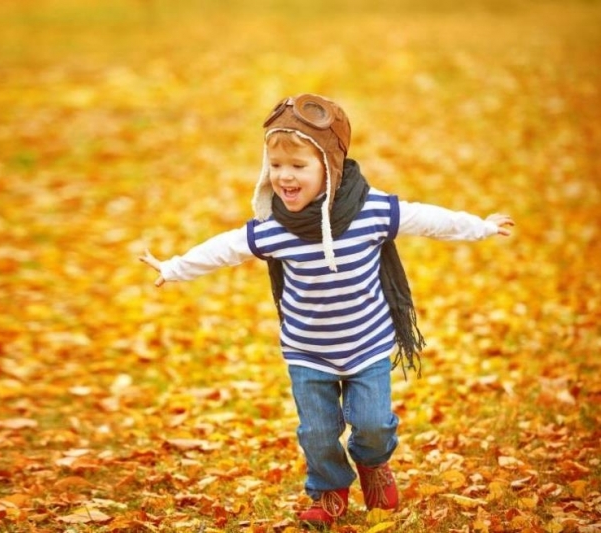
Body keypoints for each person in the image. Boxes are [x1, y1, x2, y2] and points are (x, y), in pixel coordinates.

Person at [139, 93, 514, 527]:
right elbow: (225, 248)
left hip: (367, 344)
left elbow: (427, 219)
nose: (284, 177)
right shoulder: (275, 229)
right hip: (306, 351)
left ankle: (373, 464)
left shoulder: (372, 212)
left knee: (372, 424)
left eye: (298, 167)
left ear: (330, 168)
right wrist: (174, 267)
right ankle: (328, 490)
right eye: (275, 166)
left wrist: (480, 227)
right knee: (317, 433)